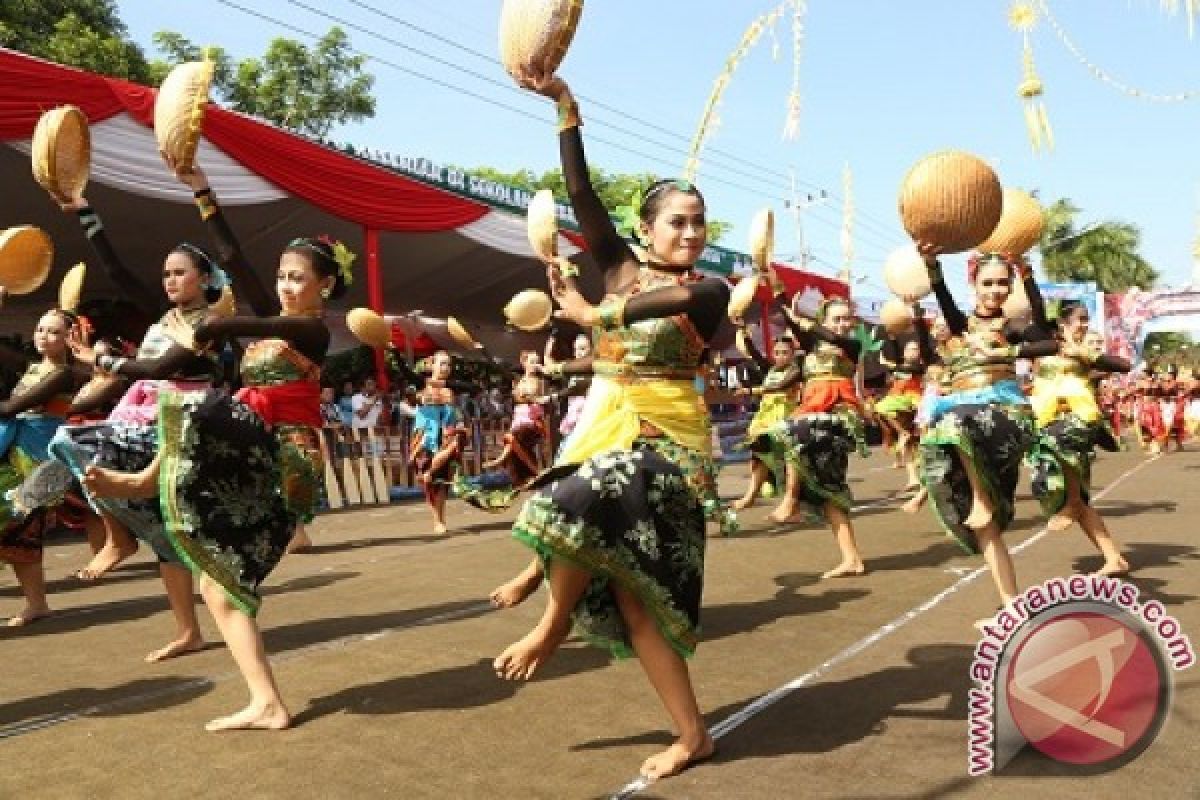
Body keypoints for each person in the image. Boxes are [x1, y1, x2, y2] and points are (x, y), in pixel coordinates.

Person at [491, 65, 732, 782]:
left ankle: (554, 620)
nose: (691, 231)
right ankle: (694, 735)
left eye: (699, 221)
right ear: (645, 230)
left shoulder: (709, 290)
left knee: (575, 494)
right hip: (611, 426)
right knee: (633, 602)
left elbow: (669, 306)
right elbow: (582, 195)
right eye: (677, 221)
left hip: (670, 447)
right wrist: (566, 108)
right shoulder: (621, 271)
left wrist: (594, 314)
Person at [83, 158, 347, 731]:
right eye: (281, 274)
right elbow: (232, 258)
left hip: (284, 455)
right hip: (247, 445)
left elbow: (257, 330)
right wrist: (201, 190)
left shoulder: (313, 330)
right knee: (218, 586)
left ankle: (146, 480)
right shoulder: (277, 311)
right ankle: (267, 702)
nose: (283, 284)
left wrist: (217, 327)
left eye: (297, 277)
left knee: (195, 402)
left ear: (323, 285)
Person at [917, 246, 1056, 621]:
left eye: (1002, 283)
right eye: (988, 283)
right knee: (989, 528)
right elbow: (943, 300)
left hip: (1006, 415)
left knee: (953, 423)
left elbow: (1047, 337)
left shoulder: (1010, 327)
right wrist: (931, 266)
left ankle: (981, 498)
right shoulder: (960, 327)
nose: (995, 290)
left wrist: (1027, 277)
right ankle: (1012, 605)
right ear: (974, 285)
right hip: (970, 422)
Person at [768, 295, 870, 578]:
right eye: (836, 318)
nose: (842, 324)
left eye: (846, 318)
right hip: (811, 409)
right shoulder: (812, 345)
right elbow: (791, 318)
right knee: (829, 488)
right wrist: (777, 289)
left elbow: (822, 334)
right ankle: (851, 558)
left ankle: (790, 500)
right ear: (825, 320)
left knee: (794, 432)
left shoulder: (851, 345)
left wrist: (806, 320)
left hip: (838, 412)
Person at [1026, 300, 1130, 575]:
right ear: (1062, 323)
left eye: (1087, 319)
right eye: (1079, 319)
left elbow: (1123, 365)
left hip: (1077, 421)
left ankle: (1071, 503)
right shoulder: (1045, 345)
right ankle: (1114, 558)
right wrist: (1025, 272)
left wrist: (1087, 356)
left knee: (1058, 445)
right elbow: (1035, 312)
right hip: (1047, 419)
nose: (1084, 324)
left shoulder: (1086, 351)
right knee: (1073, 496)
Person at [0, 303, 81, 626]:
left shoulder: (63, 374)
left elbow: (14, 407)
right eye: (40, 330)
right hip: (19, 459)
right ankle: (38, 604)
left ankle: (37, 604)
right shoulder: (33, 367)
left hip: (43, 464)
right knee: (18, 536)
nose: (44, 337)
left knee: (20, 531)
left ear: (70, 339)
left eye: (54, 332)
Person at [731, 333, 802, 511]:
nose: (780, 356)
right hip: (764, 418)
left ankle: (790, 497)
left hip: (784, 419)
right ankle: (751, 495)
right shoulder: (770, 368)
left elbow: (780, 387)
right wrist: (743, 330)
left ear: (793, 354)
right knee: (757, 453)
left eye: (785, 352)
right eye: (777, 353)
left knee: (788, 460)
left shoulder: (795, 371)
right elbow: (754, 353)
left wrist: (749, 390)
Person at [874, 307, 936, 490]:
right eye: (909, 349)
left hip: (916, 400)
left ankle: (927, 473)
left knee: (921, 439)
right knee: (881, 409)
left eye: (916, 349)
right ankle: (912, 477)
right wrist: (892, 335)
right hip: (899, 400)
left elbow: (913, 369)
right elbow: (893, 350)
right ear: (904, 352)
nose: (913, 351)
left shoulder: (920, 367)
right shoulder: (898, 365)